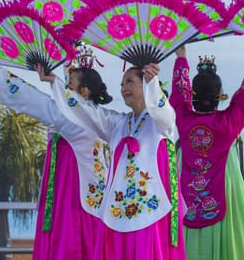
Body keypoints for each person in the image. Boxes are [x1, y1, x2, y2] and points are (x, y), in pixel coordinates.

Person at [48, 62, 186, 260]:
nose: (123, 88)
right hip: (117, 211)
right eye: (122, 84)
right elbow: (87, 112)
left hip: (148, 211)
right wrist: (55, 83)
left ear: (145, 84)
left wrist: (153, 82)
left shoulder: (160, 123)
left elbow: (164, 115)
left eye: (130, 81)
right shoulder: (118, 123)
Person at [0, 62, 113, 260]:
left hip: (71, 192)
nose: (65, 87)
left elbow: (30, 98)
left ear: (83, 92)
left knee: (71, 241)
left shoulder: (71, 116)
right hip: (92, 197)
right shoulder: (97, 116)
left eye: (70, 83)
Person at [168, 35, 244, 260]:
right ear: (219, 95)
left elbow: (178, 97)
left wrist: (181, 59)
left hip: (188, 189)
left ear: (193, 95)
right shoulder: (228, 123)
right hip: (226, 185)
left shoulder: (183, 121)